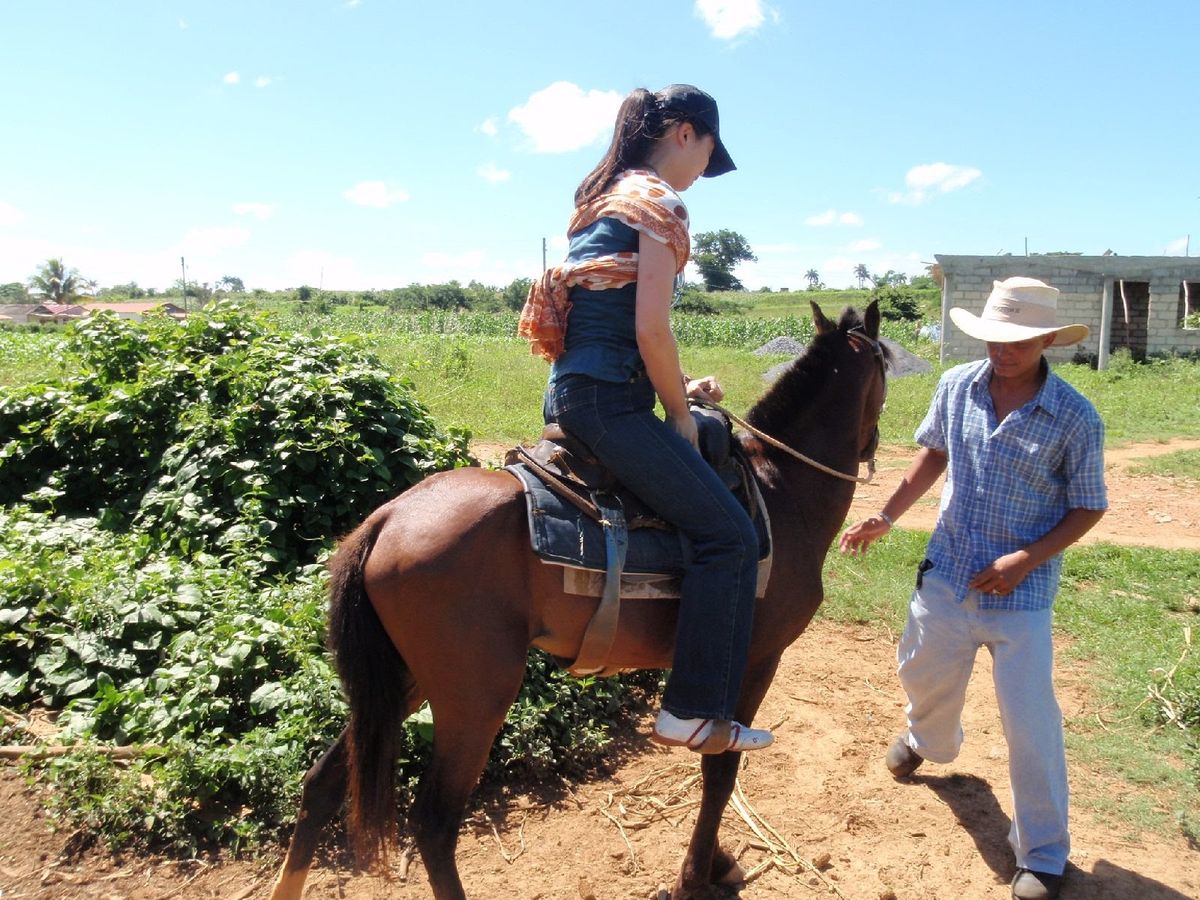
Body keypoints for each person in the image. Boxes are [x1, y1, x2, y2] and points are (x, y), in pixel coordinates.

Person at [518, 84, 771, 754]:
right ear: (687, 133)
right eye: (707, 155)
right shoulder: (658, 200)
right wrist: (679, 410)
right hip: (612, 404)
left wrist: (681, 385)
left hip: (576, 394)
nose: (702, 174)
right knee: (730, 538)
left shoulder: (598, 203)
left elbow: (610, 333)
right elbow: (651, 329)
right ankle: (689, 709)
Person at [839, 276, 1107, 900]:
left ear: (1046, 339)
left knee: (1030, 723)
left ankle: (1042, 854)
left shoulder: (1074, 417)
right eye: (992, 337)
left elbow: (1088, 507)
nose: (1001, 350)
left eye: (1016, 340)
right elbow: (933, 454)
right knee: (921, 670)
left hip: (1022, 597)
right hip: (950, 572)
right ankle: (926, 740)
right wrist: (889, 513)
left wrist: (1025, 559)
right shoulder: (957, 385)